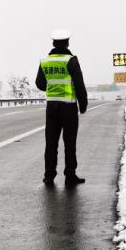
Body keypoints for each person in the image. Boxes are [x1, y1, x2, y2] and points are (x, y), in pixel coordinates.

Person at [36, 28, 88, 187]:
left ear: (53, 43)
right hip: (69, 107)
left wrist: (53, 88)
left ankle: (49, 176)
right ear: (67, 43)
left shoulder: (45, 61)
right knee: (69, 142)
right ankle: (70, 175)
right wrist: (83, 104)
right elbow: (79, 84)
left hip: (51, 107)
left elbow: (40, 83)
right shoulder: (71, 60)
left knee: (51, 142)